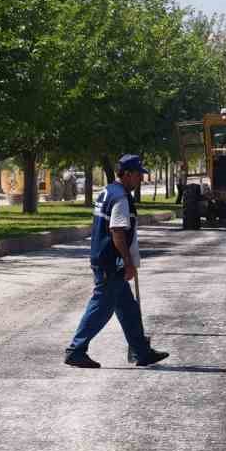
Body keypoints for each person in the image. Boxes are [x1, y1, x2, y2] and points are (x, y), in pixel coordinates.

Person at [64, 155, 170, 369]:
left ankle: (141, 351)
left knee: (128, 308)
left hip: (105, 258)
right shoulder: (121, 198)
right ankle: (76, 350)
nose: (141, 178)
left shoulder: (108, 191)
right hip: (110, 262)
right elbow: (117, 232)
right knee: (101, 307)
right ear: (128, 174)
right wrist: (128, 262)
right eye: (139, 174)